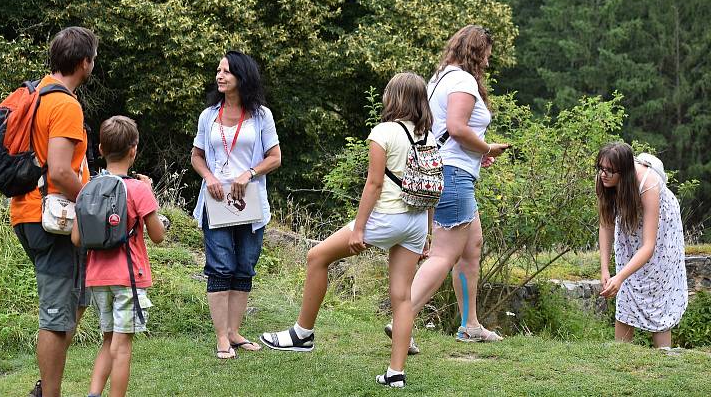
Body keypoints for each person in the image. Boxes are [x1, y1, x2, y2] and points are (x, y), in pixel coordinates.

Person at [261, 72, 436, 389]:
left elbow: (374, 183)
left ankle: (302, 333)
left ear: (392, 97)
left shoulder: (383, 131)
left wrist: (358, 229)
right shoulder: (428, 137)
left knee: (317, 256)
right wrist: (426, 233)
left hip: (386, 218)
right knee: (402, 297)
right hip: (414, 222)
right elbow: (432, 187)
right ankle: (395, 373)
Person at [392, 25, 509, 353]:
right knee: (444, 253)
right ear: (475, 51)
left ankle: (469, 324)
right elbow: (457, 129)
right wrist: (486, 148)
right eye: (486, 53)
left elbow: (444, 129)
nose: (487, 61)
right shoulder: (462, 80)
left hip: (443, 169)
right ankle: (404, 317)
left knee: (472, 246)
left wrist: (476, 152)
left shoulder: (440, 78)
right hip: (453, 175)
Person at [9, 26, 98, 397]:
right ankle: (50, 394)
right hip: (53, 218)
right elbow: (61, 171)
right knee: (58, 315)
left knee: (76, 300)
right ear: (83, 62)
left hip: (28, 211)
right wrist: (94, 199)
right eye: (93, 57)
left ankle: (45, 386)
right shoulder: (64, 104)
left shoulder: (35, 95)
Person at [191, 50, 281, 359]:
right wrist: (210, 178)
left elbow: (275, 157)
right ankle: (221, 338)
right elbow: (197, 156)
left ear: (242, 76)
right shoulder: (208, 116)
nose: (219, 76)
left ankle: (234, 332)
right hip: (215, 202)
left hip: (250, 204)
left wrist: (250, 173)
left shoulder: (261, 116)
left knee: (244, 267)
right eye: (218, 70)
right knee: (221, 266)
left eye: (226, 71)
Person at [72, 116, 166, 396]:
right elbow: (158, 235)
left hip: (97, 278)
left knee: (108, 340)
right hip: (128, 278)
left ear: (100, 149)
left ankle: (93, 393)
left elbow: (77, 238)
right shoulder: (138, 189)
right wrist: (151, 195)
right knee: (122, 348)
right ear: (133, 150)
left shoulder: (87, 189)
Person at [596, 142, 688, 348]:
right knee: (627, 284)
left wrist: (619, 277)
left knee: (657, 284)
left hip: (660, 229)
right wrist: (605, 269)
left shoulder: (648, 183)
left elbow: (649, 246)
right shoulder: (605, 177)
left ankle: (664, 357)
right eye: (601, 168)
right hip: (630, 222)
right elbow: (606, 223)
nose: (604, 174)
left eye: (610, 170)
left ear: (625, 171)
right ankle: (621, 354)